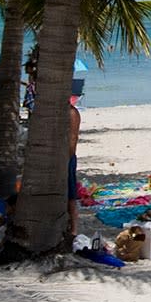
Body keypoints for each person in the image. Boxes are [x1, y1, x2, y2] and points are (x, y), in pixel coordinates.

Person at [68, 97, 82, 236]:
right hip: (55, 158)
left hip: (66, 158)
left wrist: (66, 157)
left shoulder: (71, 113)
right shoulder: (55, 113)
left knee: (70, 195)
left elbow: (73, 139)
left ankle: (74, 229)